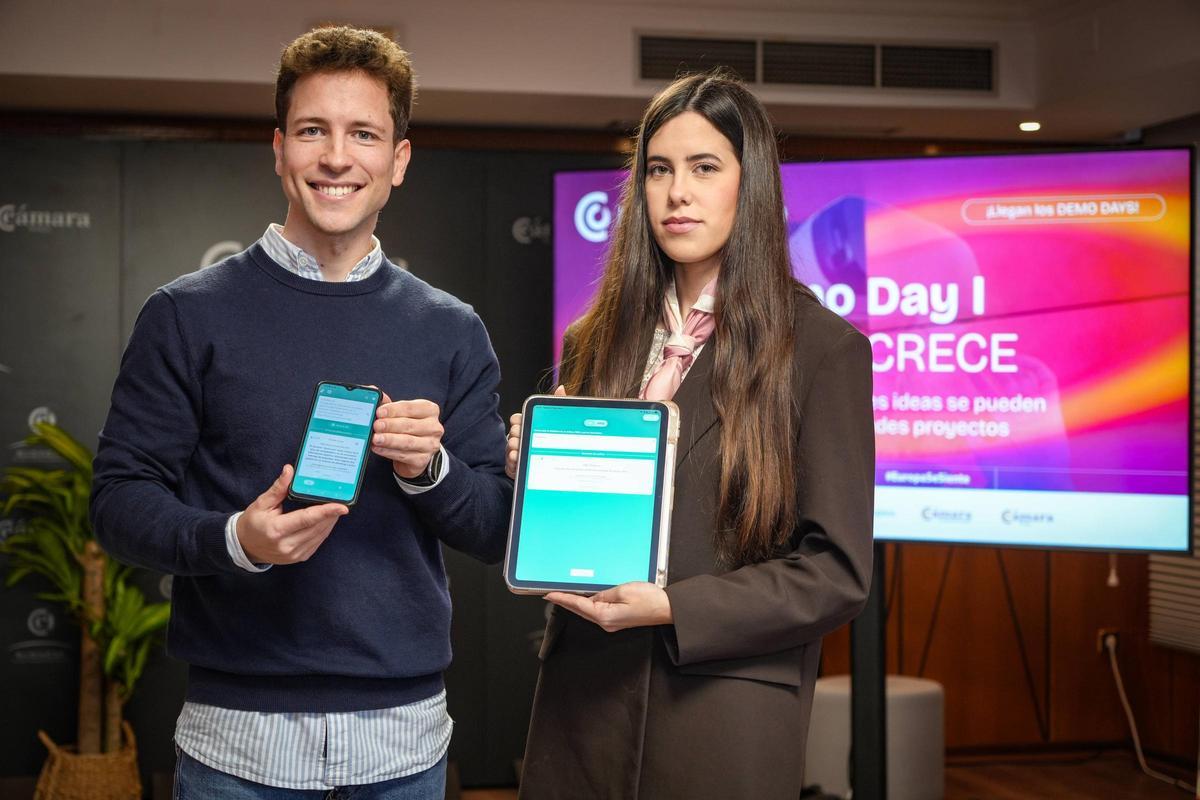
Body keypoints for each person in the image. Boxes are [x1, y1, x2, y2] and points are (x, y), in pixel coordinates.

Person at [90, 26, 511, 799]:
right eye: (314, 130)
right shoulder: (186, 315)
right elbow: (118, 503)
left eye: (364, 134)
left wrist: (431, 470)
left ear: (399, 160)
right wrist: (237, 539)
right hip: (236, 751)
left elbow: (492, 526)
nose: (337, 157)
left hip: (404, 748)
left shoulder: (452, 329)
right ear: (280, 148)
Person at [510, 70, 875, 799]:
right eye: (659, 170)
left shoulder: (823, 350)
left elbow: (837, 573)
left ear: (752, 185)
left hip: (720, 716)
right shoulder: (594, 342)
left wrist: (677, 607)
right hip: (582, 708)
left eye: (705, 168)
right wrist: (535, 473)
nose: (678, 192)